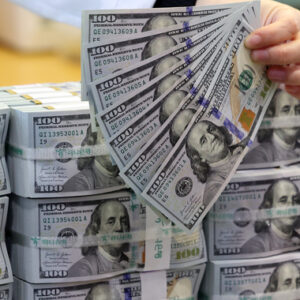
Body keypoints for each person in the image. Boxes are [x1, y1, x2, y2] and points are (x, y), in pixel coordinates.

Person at [186, 120, 246, 205]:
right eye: (203, 141)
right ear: (200, 158)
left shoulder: (243, 145)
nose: (212, 137)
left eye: (211, 129)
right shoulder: (213, 188)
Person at [68, 199, 130, 277]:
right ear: (97, 229)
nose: (119, 227)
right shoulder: (83, 269)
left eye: (123, 221)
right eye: (111, 222)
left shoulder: (131, 263)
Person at [240, 179, 300, 254]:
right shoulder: (254, 246)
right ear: (269, 208)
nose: (291, 207)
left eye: (296, 200)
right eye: (283, 201)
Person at [242, 89, 300, 165]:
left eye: (298, 109)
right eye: (286, 110)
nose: (293, 116)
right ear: (272, 116)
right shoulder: (258, 156)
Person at [63, 125, 124, 192]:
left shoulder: (124, 176)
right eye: (105, 138)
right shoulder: (79, 183)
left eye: (118, 137)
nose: (113, 144)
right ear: (93, 145)